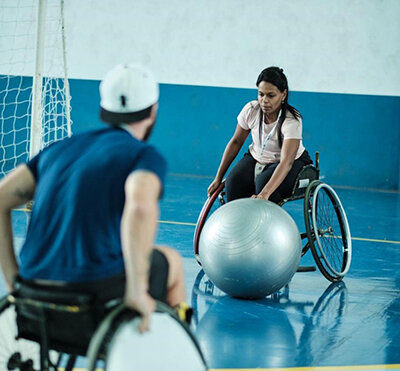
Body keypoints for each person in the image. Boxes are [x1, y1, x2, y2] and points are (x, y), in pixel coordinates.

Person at [0, 64, 188, 332]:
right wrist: (137, 290)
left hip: (31, 288)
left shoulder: (58, 149)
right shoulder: (142, 155)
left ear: (104, 109)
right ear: (153, 111)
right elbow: (141, 208)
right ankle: (173, 350)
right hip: (92, 292)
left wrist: (13, 278)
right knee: (173, 262)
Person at [208, 66, 312, 204]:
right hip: (257, 157)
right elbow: (236, 142)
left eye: (271, 95)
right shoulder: (251, 110)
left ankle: (266, 221)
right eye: (260, 94)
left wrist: (265, 193)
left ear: (283, 95)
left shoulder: (291, 120)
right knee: (233, 182)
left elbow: (287, 162)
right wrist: (218, 177)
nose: (264, 100)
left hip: (288, 162)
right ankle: (239, 223)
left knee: (264, 184)